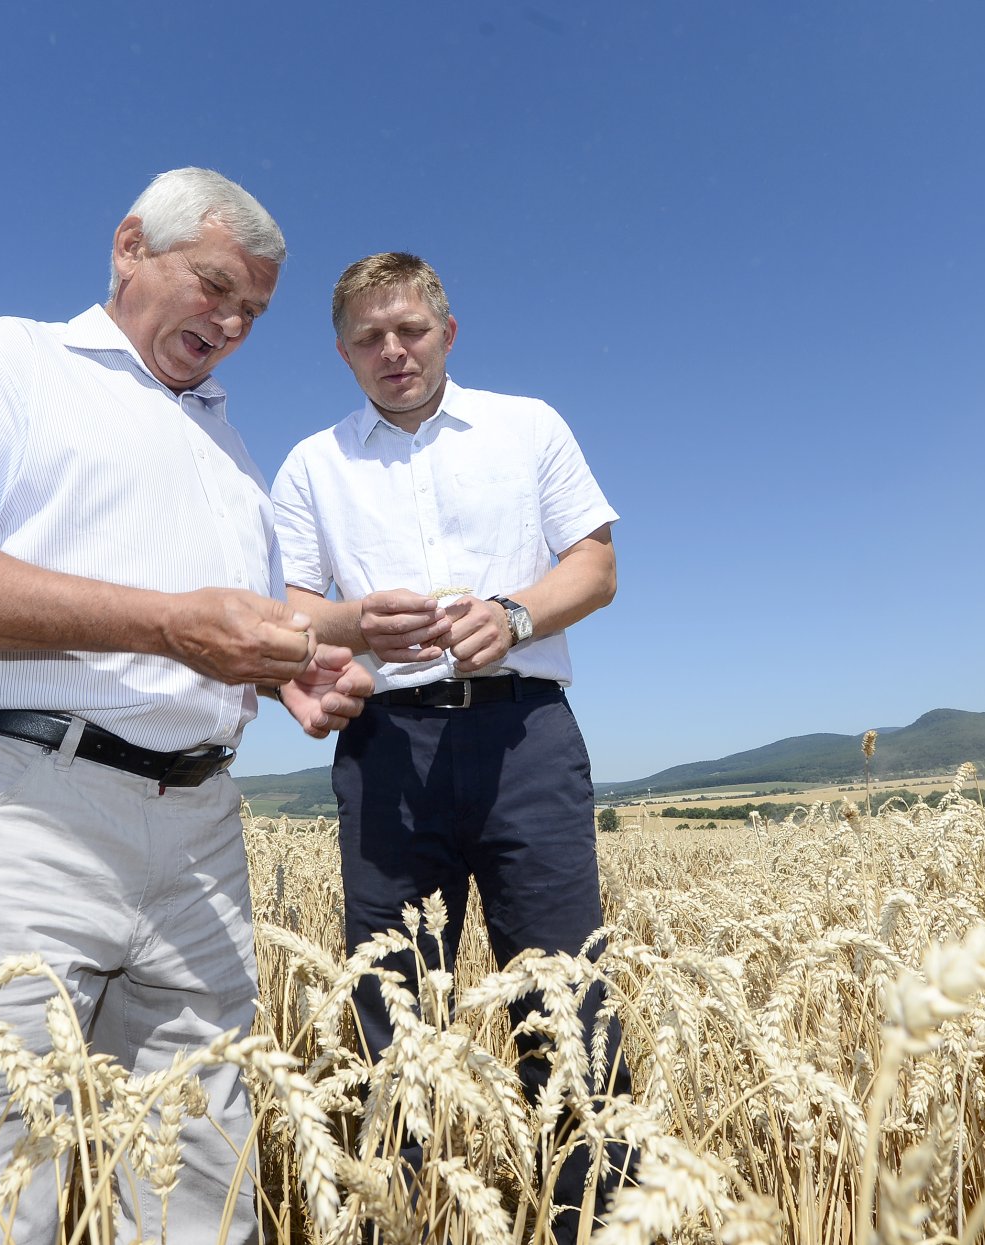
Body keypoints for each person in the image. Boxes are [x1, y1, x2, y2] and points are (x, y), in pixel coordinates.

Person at [0, 167, 372, 1244]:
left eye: (254, 312)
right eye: (215, 286)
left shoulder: (226, 450)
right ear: (129, 247)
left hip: (199, 833)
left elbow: (208, 630)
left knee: (196, 1181)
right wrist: (168, 624)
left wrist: (282, 667)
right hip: (9, 814)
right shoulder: (4, 362)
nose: (233, 323)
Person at [269, 252, 629, 1236]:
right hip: (388, 746)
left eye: (411, 331)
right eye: (369, 339)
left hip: (527, 740)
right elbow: (299, 608)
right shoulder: (311, 466)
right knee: (388, 1011)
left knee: (569, 1003)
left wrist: (512, 614)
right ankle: (398, 1221)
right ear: (343, 354)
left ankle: (595, 1223)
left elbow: (594, 566)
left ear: (448, 333)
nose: (394, 351)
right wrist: (347, 632)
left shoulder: (530, 425)